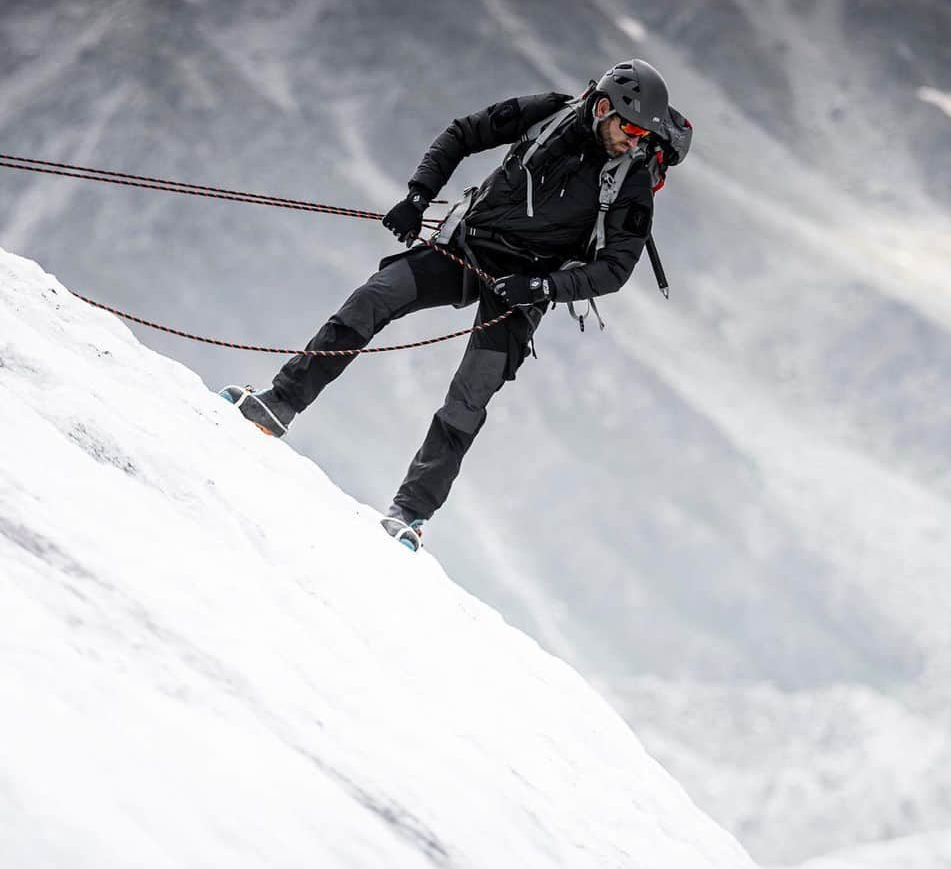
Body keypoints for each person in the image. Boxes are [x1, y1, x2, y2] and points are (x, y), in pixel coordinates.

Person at [222, 59, 680, 550]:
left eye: (643, 136)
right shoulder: (548, 113)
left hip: (524, 288)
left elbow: (615, 270)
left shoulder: (631, 182)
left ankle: (410, 515)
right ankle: (279, 404)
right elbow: (463, 133)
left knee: (470, 393)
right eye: (630, 129)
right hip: (466, 248)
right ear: (604, 107)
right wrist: (418, 197)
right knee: (376, 297)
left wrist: (542, 288)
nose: (635, 142)